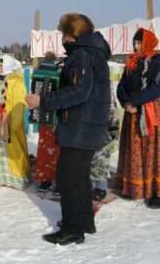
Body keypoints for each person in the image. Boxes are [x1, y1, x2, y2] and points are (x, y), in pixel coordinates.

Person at [26, 13, 111, 245]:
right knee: (79, 177)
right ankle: (84, 220)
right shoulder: (92, 53)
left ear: (73, 35)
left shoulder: (82, 56)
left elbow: (79, 91)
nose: (62, 38)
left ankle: (73, 229)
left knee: (68, 178)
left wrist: (43, 100)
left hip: (80, 126)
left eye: (64, 33)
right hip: (86, 125)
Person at [116, 27, 160, 208]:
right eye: (134, 43)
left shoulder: (157, 61)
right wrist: (125, 102)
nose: (136, 47)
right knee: (136, 148)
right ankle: (135, 186)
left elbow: (157, 87)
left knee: (156, 150)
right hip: (132, 110)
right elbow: (121, 85)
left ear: (147, 42)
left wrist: (134, 101)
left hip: (151, 109)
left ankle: (159, 191)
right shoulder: (131, 62)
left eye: (139, 43)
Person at [0, 55, 30, 189]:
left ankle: (16, 175)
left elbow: (19, 102)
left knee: (13, 148)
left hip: (9, 122)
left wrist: (15, 123)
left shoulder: (17, 82)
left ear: (8, 66)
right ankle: (0, 174)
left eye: (0, 65)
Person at [33, 52, 61, 193]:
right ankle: (58, 180)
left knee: (44, 149)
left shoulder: (38, 71)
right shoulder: (58, 72)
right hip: (55, 116)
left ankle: (46, 181)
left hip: (41, 115)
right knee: (57, 150)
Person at [90, 91, 120, 201]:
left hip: (102, 124)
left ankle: (101, 186)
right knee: (84, 157)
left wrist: (113, 125)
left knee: (101, 157)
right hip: (83, 123)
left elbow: (112, 107)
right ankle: (85, 183)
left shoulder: (105, 86)